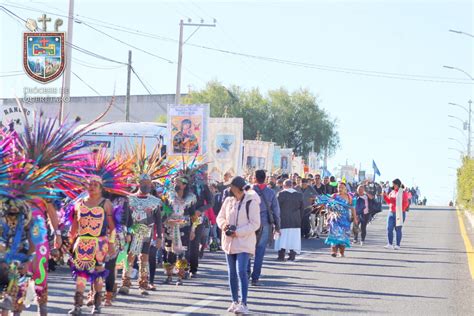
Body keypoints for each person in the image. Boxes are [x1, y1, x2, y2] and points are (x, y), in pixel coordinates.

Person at [68, 176, 116, 315]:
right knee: (81, 275)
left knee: (98, 274)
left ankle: (97, 305)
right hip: (81, 242)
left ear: (101, 188)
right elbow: (74, 227)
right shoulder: (79, 203)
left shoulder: (106, 203)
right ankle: (77, 306)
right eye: (89, 184)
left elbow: (112, 227)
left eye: (95, 184)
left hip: (100, 243)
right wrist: (70, 244)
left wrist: (111, 244)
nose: (92, 187)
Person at [217, 176, 261, 315]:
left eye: (232, 186)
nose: (230, 188)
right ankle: (234, 301)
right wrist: (224, 226)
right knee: (231, 273)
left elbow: (255, 224)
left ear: (237, 187)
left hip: (243, 241)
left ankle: (244, 303)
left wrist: (238, 232)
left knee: (241, 271)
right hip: (229, 242)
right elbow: (220, 217)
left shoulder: (251, 202)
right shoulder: (228, 201)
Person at [119, 175, 162, 295]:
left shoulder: (155, 201)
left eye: (149, 184)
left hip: (147, 233)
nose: (147, 186)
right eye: (144, 183)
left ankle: (143, 283)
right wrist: (126, 232)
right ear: (139, 183)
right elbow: (125, 218)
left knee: (144, 257)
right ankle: (125, 282)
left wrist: (159, 237)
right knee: (130, 257)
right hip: (132, 232)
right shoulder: (129, 199)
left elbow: (158, 220)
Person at [162, 176, 196, 285]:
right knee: (169, 252)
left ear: (184, 185)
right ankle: (169, 275)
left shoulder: (190, 199)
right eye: (175, 182)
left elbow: (193, 216)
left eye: (179, 183)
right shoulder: (169, 196)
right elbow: (164, 212)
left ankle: (180, 277)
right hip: (170, 227)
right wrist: (165, 222)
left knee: (182, 252)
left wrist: (193, 230)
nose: (176, 185)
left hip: (184, 228)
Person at [249, 170, 280, 286]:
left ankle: (246, 273)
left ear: (254, 178)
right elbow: (276, 211)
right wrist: (278, 226)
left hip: (250, 223)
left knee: (247, 249)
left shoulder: (249, 191)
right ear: (265, 178)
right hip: (265, 223)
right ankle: (255, 278)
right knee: (260, 251)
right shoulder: (271, 192)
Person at [324, 182, 357, 257]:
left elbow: (353, 208)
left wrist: (355, 218)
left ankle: (341, 252)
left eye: (342, 187)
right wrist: (328, 217)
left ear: (345, 189)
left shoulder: (349, 197)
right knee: (334, 235)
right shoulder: (334, 196)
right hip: (335, 219)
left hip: (345, 219)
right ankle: (334, 252)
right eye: (339, 187)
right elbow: (328, 207)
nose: (340, 189)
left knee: (343, 236)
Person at [275, 180, 304, 261]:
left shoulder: (281, 194)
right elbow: (302, 209)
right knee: (293, 238)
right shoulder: (299, 195)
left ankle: (281, 255)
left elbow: (276, 208)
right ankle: (292, 255)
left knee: (282, 238)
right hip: (295, 220)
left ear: (284, 186)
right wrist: (299, 218)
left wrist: (275, 220)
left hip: (283, 219)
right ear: (292, 185)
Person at [383, 179, 409, 250]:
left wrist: (396, 203)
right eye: (393, 184)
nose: (393, 186)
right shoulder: (392, 192)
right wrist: (385, 196)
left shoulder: (403, 192)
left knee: (398, 229)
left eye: (394, 184)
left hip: (399, 213)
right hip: (391, 212)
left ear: (398, 184)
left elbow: (405, 203)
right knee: (389, 228)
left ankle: (397, 245)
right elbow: (389, 201)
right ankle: (390, 244)